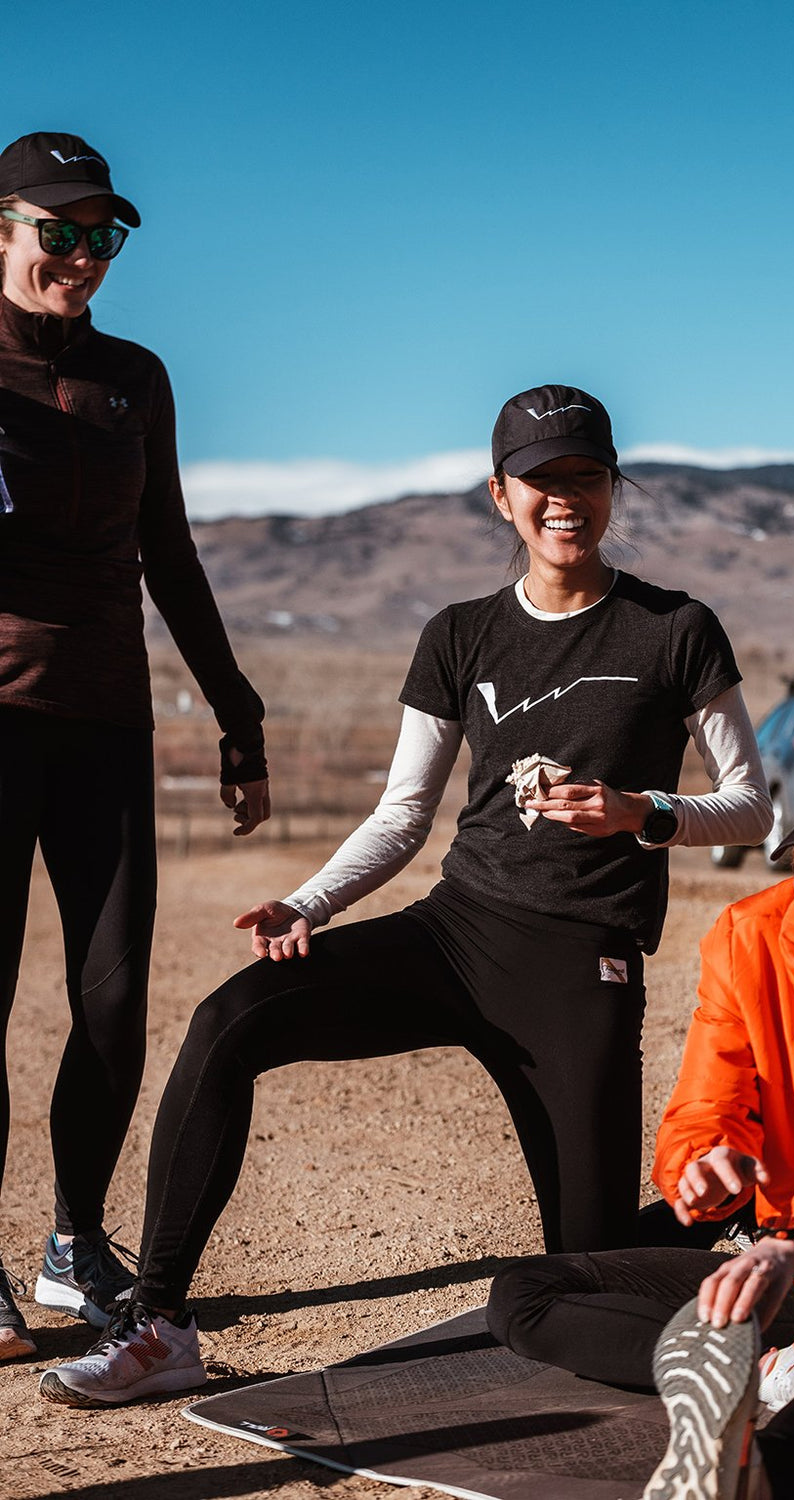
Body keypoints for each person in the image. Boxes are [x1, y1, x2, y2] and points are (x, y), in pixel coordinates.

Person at [38, 382, 772, 1405]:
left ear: (614, 488)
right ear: (499, 495)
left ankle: (760, 1270)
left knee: (585, 1268)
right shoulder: (460, 632)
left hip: (578, 964)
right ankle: (160, 1324)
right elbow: (401, 813)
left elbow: (750, 807)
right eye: (541, 480)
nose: (566, 499)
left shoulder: (674, 628)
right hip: (456, 932)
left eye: (586, 477)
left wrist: (640, 811)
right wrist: (308, 904)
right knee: (228, 1021)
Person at [485, 750, 794, 1500]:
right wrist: (704, 1165)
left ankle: (763, 1473)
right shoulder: (747, 937)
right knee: (526, 1293)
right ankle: (757, 1379)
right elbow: (709, 1096)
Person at [0, 132, 270, 1361]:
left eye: (101, 237)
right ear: (3, 229)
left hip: (108, 723)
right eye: (57, 232)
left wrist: (237, 712)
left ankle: (71, 1245)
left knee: (112, 1008)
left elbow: (169, 550)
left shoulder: (136, 376)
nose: (81, 258)